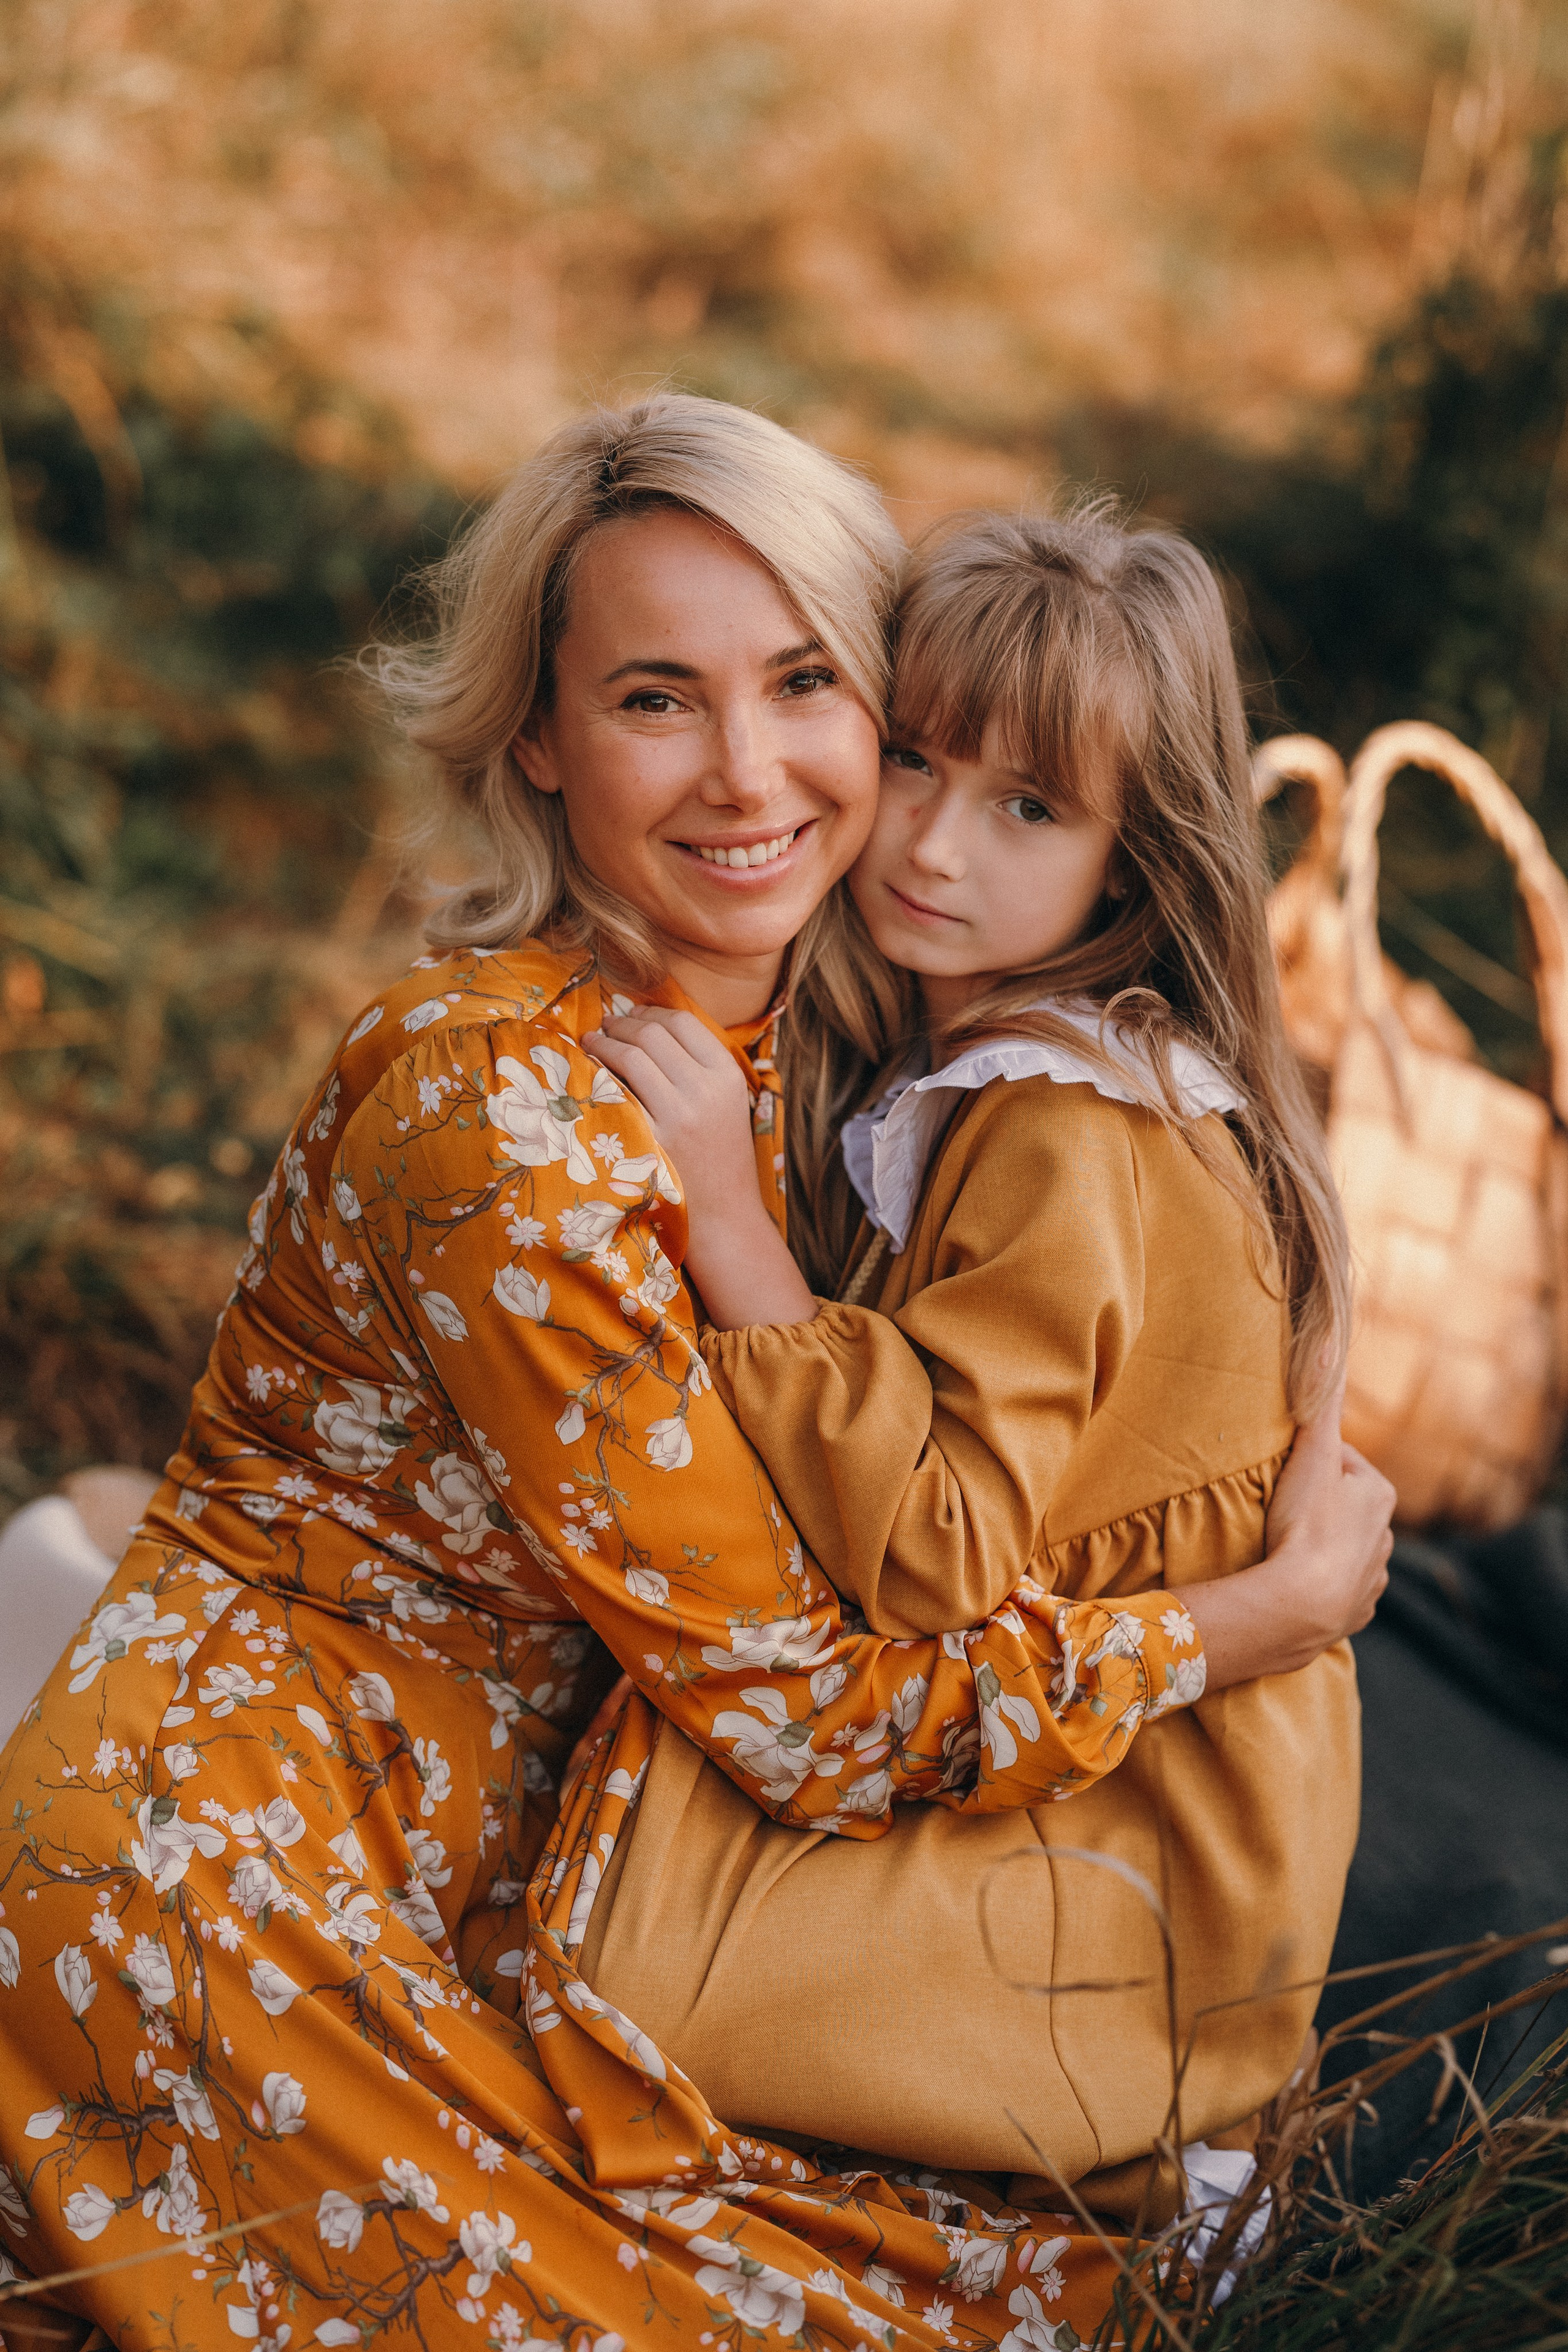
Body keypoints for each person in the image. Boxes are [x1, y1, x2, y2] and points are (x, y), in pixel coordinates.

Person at [0, 398, 1391, 2352]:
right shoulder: (511, 1121)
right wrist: (1249, 1621)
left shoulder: (847, 1038)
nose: (751, 772)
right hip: (239, 1874)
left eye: (808, 684)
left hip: (551, 1857)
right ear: (537, 738)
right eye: (657, 699)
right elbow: (809, 1715)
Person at [576, 502, 1376, 2213]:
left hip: (1141, 1840)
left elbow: (939, 1546)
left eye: (1030, 807)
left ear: (1133, 856)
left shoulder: (1061, 1123)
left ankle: (1173, 2160)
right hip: (1098, 1735)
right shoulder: (992, 1064)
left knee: (622, 1965)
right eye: (917, 761)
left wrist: (733, 1228)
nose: (934, 847)